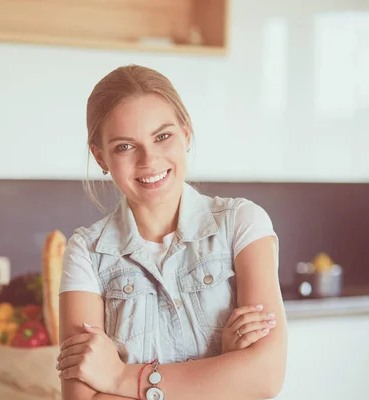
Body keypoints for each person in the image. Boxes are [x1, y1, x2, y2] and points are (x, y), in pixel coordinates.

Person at [56, 65, 287, 400]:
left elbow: (264, 377)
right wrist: (224, 369)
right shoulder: (85, 254)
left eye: (162, 136)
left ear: (186, 134)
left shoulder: (242, 223)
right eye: (124, 146)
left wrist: (120, 378)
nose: (149, 159)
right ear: (101, 156)